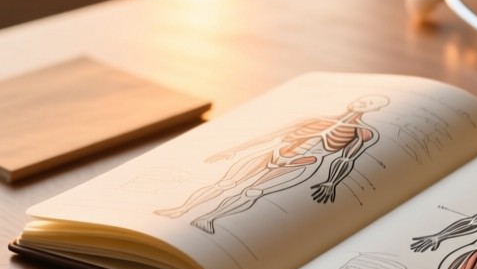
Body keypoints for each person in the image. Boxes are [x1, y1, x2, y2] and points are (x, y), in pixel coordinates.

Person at [155, 95, 388, 233]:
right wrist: (231, 150)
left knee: (253, 192)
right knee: (227, 182)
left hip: (306, 162)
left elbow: (346, 157)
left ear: (374, 109)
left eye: (371, 103)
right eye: (364, 99)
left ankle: (209, 218)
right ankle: (181, 210)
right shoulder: (314, 120)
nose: (364, 103)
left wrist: (331, 182)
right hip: (276, 151)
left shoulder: (363, 132)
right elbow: (271, 135)